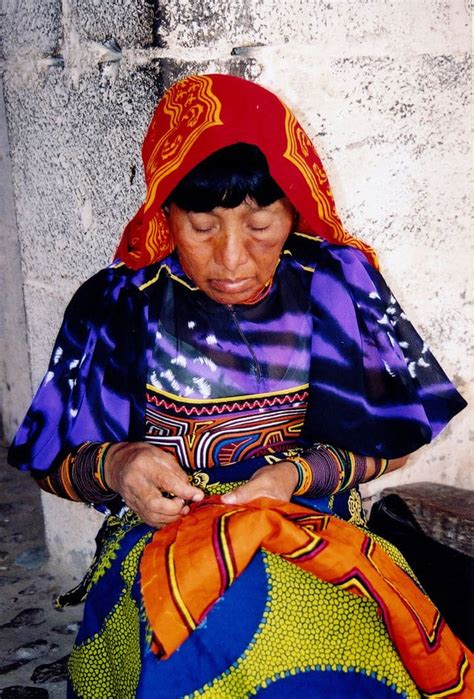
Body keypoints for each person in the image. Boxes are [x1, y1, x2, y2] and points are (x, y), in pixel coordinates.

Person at [8, 73, 472, 698]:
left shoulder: (334, 283)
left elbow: (395, 439)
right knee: (206, 634)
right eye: (202, 225)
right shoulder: (116, 303)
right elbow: (51, 459)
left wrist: (293, 479)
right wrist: (119, 466)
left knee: (316, 647)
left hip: (311, 524)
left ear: (295, 209)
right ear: (165, 212)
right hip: (163, 535)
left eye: (260, 226)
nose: (232, 259)